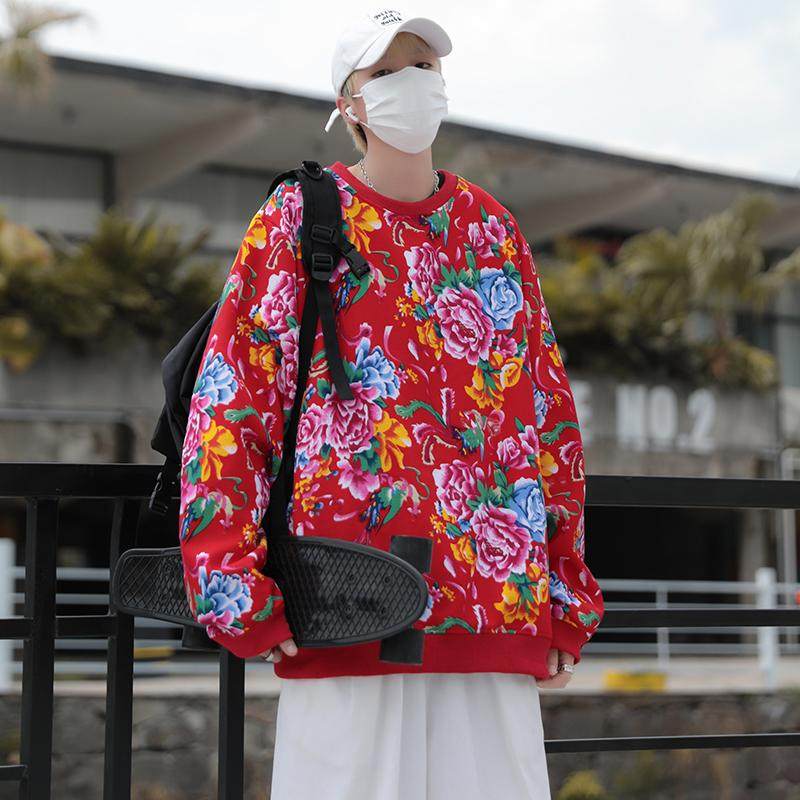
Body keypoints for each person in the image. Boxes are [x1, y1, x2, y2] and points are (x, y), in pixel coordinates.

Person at [177, 7, 605, 799]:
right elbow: (233, 401)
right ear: (350, 103)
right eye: (386, 71)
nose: (412, 83)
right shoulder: (300, 216)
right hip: (346, 602)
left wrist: (565, 595)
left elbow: (546, 417)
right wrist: (232, 585)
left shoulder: (493, 230)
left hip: (491, 609)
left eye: (425, 66)